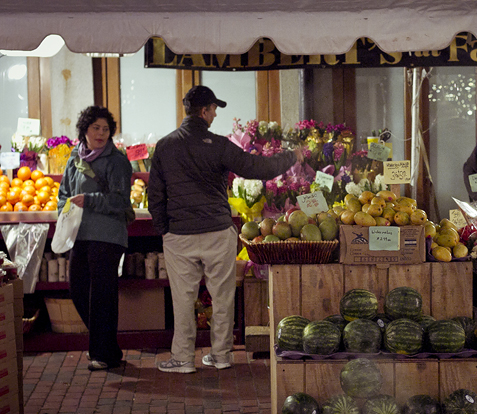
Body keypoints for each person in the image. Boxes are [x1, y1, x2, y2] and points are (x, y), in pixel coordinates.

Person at [149, 85, 302, 373]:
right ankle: (221, 356)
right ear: (205, 111)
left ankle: (182, 359)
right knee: (222, 296)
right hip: (217, 231)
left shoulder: (165, 146)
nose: (215, 115)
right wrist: (291, 157)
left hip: (179, 235)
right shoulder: (218, 145)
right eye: (214, 110)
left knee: (182, 299)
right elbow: (258, 168)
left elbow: (155, 193)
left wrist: (164, 229)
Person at [57, 106, 132, 371]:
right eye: (95, 128)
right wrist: (63, 216)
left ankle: (101, 352)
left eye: (105, 129)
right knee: (77, 289)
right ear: (84, 130)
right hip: (80, 235)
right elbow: (64, 194)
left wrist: (90, 200)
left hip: (107, 235)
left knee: (102, 294)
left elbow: (121, 200)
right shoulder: (74, 159)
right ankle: (107, 347)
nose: (101, 133)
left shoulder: (117, 161)